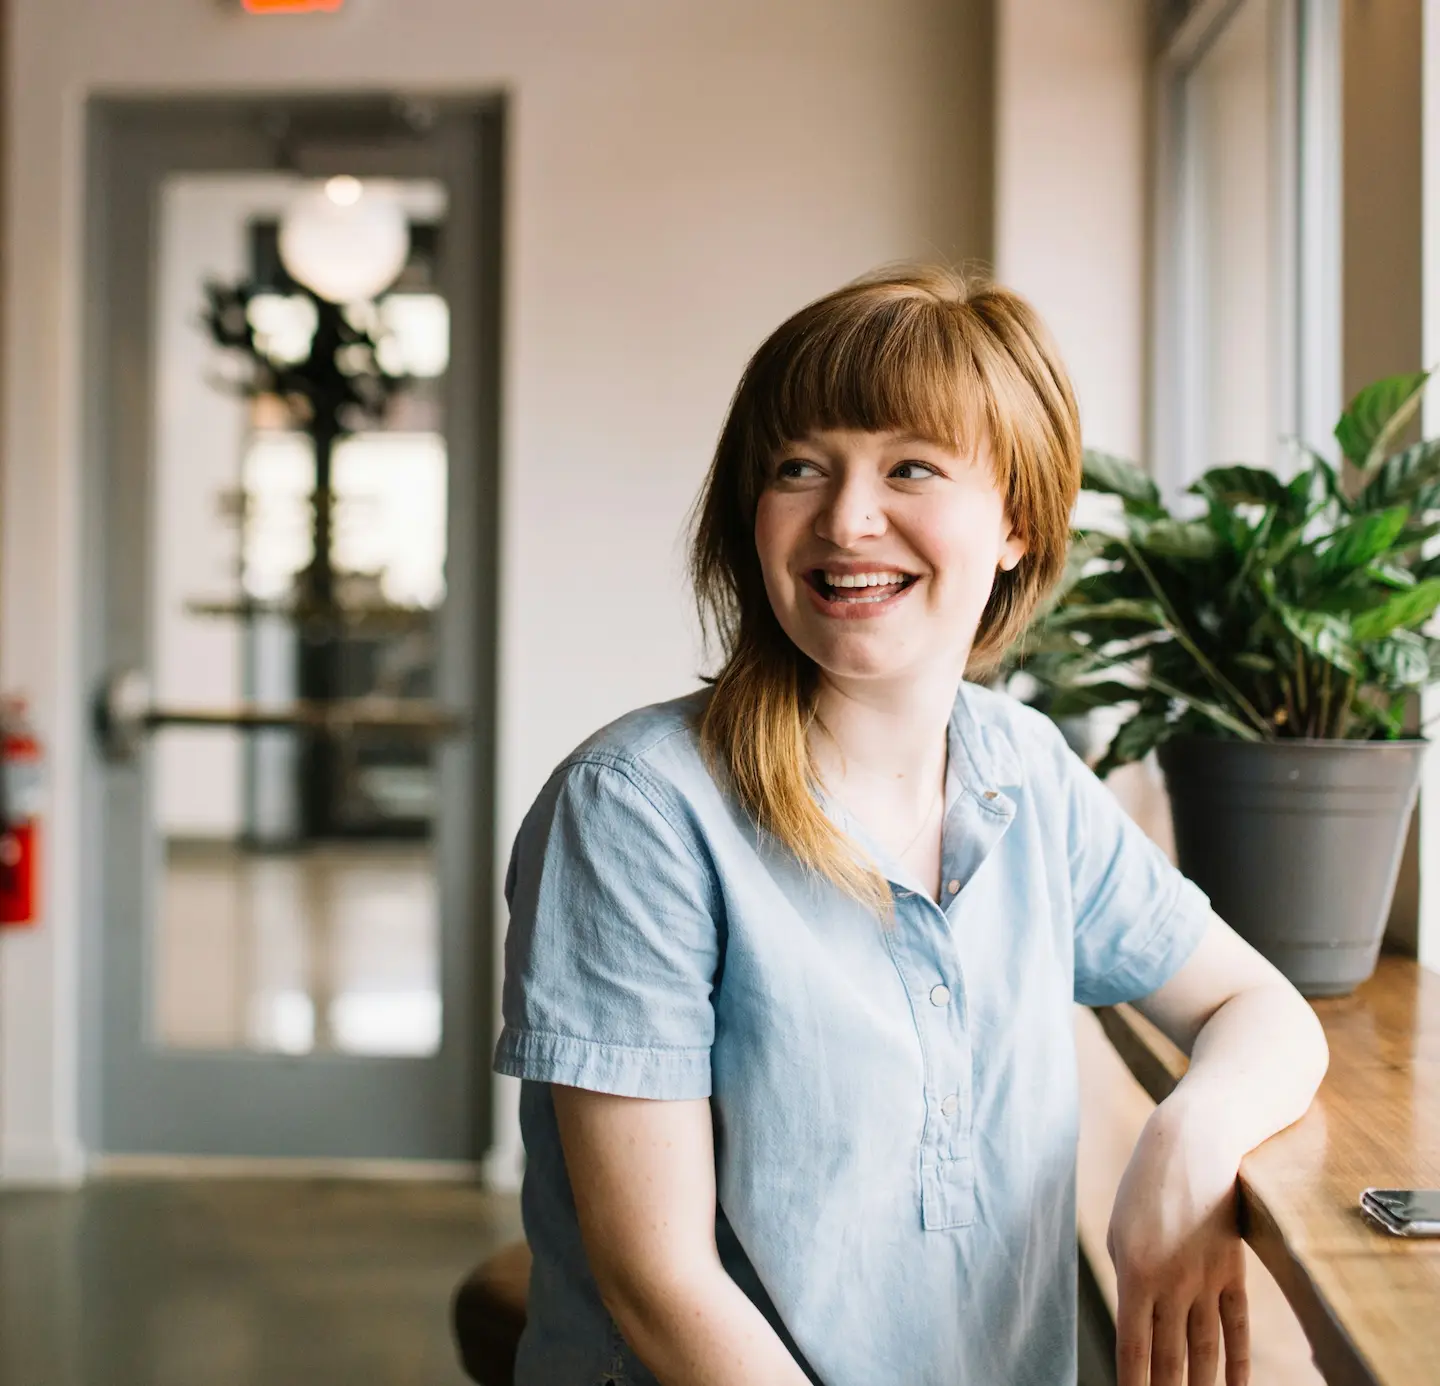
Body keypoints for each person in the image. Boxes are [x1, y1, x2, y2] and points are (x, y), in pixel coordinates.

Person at [494, 267, 1329, 1386]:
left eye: (911, 468)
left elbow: (1260, 1008)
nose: (846, 519)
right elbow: (661, 1285)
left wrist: (1188, 1140)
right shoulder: (636, 809)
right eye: (799, 467)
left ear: (1017, 525)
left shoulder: (1023, 770)